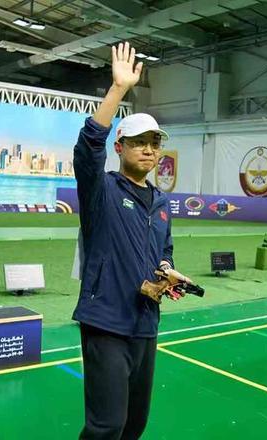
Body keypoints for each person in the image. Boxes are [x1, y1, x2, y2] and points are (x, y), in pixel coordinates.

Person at [72, 42, 176, 439]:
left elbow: (164, 251)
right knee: (107, 425)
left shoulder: (162, 203)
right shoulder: (101, 190)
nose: (149, 149)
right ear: (120, 147)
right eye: (138, 142)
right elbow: (88, 148)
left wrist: (167, 272)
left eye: (155, 143)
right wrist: (118, 89)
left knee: (134, 424)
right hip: (106, 321)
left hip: (146, 322)